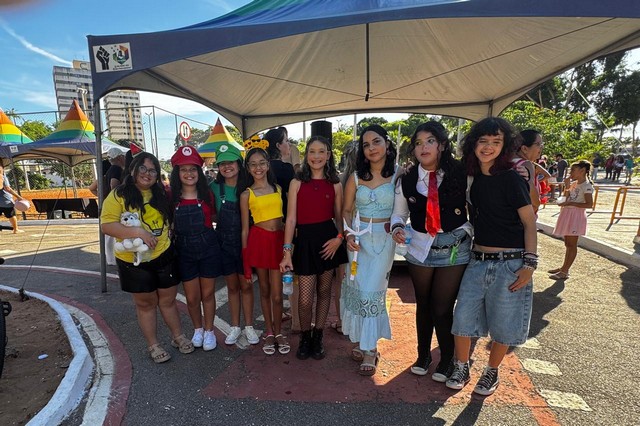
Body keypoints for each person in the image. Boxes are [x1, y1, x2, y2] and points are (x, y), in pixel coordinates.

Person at [446, 117, 537, 396]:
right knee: (463, 318)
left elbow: (529, 222)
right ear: (473, 144)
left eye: (496, 142)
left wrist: (530, 264)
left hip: (511, 263)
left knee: (504, 323)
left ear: (505, 146)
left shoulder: (511, 178)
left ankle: (491, 371)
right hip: (477, 260)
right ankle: (461, 366)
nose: (488, 147)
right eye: (483, 141)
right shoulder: (471, 177)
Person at [390, 121, 472, 382]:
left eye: (430, 141)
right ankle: (423, 355)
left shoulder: (461, 172)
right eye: (418, 143)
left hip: (454, 247)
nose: (423, 147)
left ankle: (447, 359)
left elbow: (476, 204)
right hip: (420, 246)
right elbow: (399, 214)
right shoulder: (407, 179)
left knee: (442, 307)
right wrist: (396, 228)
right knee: (423, 304)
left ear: (442, 145)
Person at [101, 152, 194, 363]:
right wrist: (139, 233)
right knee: (146, 304)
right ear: (133, 169)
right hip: (133, 260)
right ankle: (153, 345)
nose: (147, 174)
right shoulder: (118, 195)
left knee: (168, 301)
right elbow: (107, 226)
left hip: (163, 254)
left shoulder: (161, 193)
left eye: (152, 170)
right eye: (142, 168)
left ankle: (178, 336)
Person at [280, 135, 348, 361]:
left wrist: (339, 238)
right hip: (305, 243)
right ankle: (305, 336)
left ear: (328, 155)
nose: (316, 156)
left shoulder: (335, 184)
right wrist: (287, 252)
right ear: (306, 154)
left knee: (325, 292)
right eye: (312, 151)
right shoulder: (296, 183)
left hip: (329, 243)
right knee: (305, 298)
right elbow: (291, 219)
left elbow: (339, 218)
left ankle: (318, 336)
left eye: (321, 152)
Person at [340, 125, 397, 375]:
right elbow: (346, 210)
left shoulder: (399, 175)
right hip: (358, 241)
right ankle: (363, 340)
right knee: (358, 289)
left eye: (376, 142)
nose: (371, 148)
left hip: (384, 241)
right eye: (366, 145)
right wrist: (348, 234)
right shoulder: (355, 177)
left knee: (372, 291)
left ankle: (371, 349)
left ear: (387, 144)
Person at [169, 146, 223, 351]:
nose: (189, 173)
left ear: (199, 171)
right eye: (184, 170)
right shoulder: (171, 196)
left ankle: (209, 331)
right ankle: (197, 329)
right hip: (184, 251)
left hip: (208, 247)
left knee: (208, 294)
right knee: (192, 297)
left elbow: (216, 215)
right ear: (177, 172)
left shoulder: (207, 194)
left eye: (193, 169)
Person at [210, 143, 260, 346]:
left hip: (246, 244)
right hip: (225, 244)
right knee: (232, 287)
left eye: (230, 162)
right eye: (222, 163)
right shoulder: (214, 187)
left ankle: (249, 326)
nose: (226, 167)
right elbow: (212, 214)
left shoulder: (250, 187)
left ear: (239, 164)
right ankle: (234, 326)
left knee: (247, 286)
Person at [240, 148, 287, 355]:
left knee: (277, 295)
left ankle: (279, 332)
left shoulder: (278, 189)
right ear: (248, 168)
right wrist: (246, 262)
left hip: (278, 242)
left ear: (268, 165)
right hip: (259, 242)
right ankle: (269, 332)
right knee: (265, 290)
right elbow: (245, 229)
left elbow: (284, 220)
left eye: (261, 163)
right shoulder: (246, 194)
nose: (257, 167)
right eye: (253, 164)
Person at [264, 127, 299, 331]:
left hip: (265, 229)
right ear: (278, 145)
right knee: (290, 273)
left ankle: (274, 322)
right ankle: (296, 320)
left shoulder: (262, 169)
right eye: (286, 141)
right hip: (287, 228)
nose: (289, 144)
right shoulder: (287, 170)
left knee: (271, 277)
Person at [549, 160, 594, 280]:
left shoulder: (586, 186)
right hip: (568, 214)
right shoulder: (574, 183)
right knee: (567, 243)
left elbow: (589, 204)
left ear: (582, 171)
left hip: (576, 216)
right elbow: (566, 197)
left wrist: (570, 203)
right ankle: (564, 267)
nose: (570, 172)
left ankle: (564, 271)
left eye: (573, 170)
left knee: (572, 244)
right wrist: (567, 187)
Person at [513, 130, 544, 213]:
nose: (541, 148)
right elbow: (534, 202)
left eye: (542, 144)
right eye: (538, 144)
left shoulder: (507, 162)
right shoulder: (526, 164)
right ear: (524, 149)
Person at [0, 164, 25, 234]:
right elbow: (7, 188)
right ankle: (15, 229)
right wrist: (19, 197)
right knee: (11, 215)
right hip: (5, 200)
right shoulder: (2, 175)